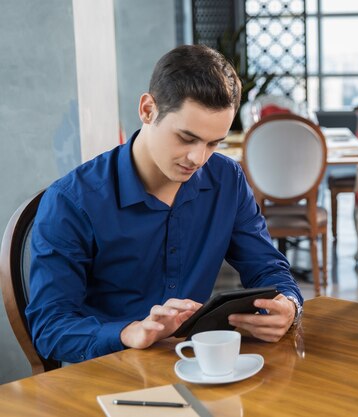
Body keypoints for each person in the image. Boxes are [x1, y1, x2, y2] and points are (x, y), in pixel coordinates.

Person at [26, 45, 303, 363]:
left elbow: (267, 268)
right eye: (186, 138)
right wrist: (128, 332)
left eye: (214, 143)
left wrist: (289, 304)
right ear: (147, 110)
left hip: (191, 364)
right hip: (106, 373)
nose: (198, 158)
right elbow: (50, 329)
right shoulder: (70, 202)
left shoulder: (227, 179)